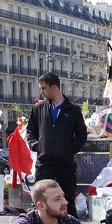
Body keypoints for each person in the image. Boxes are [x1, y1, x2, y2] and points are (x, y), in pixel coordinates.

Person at [27, 72, 87, 216]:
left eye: (44, 88)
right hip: (44, 162)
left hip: (65, 163)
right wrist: (38, 146)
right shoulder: (38, 109)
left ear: (54, 87)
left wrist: (69, 149)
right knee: (40, 201)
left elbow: (81, 135)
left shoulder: (73, 110)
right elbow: (30, 132)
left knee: (67, 201)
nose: (41, 92)